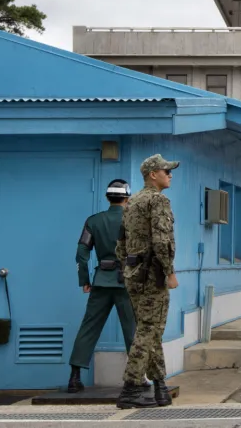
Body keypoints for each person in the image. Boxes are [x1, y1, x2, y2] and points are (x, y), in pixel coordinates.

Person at [67, 179, 149, 393]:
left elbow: (81, 254)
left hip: (102, 281)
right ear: (127, 197)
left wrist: (84, 280)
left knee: (89, 328)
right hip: (129, 283)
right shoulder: (136, 220)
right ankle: (137, 378)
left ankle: (74, 377)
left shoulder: (93, 221)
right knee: (132, 330)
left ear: (107, 197)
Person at [115, 154, 180, 409]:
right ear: (153, 174)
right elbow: (162, 241)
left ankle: (160, 388)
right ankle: (130, 389)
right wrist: (169, 271)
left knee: (150, 331)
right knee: (148, 330)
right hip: (153, 275)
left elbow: (121, 242)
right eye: (166, 171)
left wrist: (128, 267)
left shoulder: (132, 203)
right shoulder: (157, 200)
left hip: (134, 274)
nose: (170, 175)